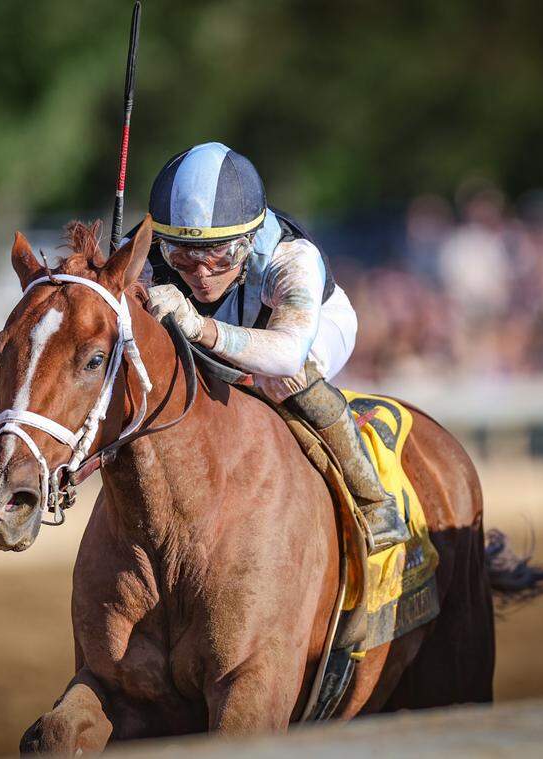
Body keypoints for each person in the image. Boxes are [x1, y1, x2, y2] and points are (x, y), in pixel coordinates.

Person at [141, 142, 408, 551]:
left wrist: (201, 328)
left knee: (278, 378)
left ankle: (371, 499)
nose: (201, 274)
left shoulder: (292, 256)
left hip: (305, 332)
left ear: (249, 240)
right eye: (182, 257)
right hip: (227, 325)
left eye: (220, 255)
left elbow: (286, 354)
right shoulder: (147, 252)